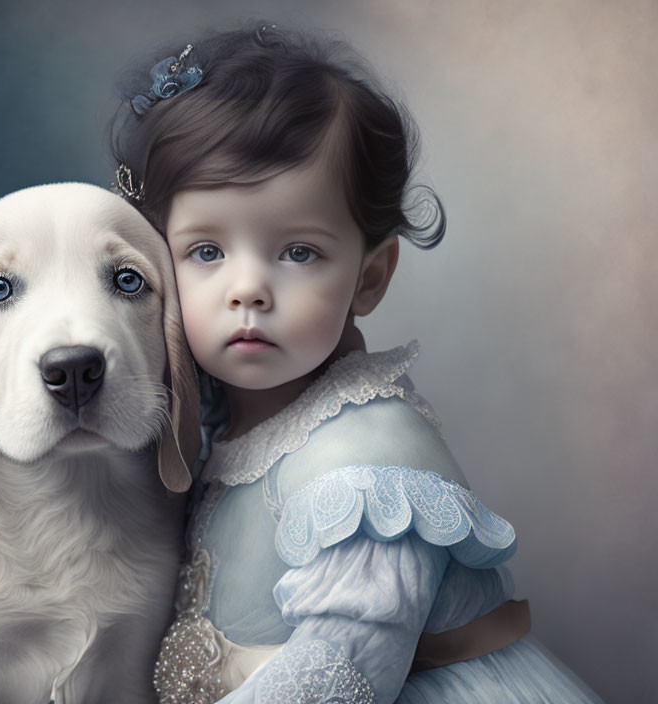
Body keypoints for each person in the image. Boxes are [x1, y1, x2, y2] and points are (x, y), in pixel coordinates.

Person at [108, 23, 603, 704]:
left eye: (298, 252)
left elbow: (339, 672)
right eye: (207, 252)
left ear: (369, 278)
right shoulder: (219, 431)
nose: (247, 288)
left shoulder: (367, 462)